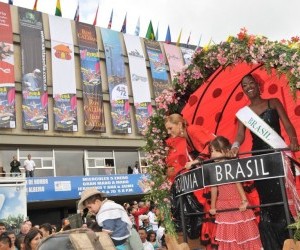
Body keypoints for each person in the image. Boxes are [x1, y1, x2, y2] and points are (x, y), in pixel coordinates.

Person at [231, 74, 300, 249]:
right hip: (259, 160)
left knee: (282, 196)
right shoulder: (243, 114)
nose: (248, 87)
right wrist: (235, 146)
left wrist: (293, 140)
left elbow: (287, 124)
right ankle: (273, 244)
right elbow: (240, 135)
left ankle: (291, 237)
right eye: (244, 85)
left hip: (277, 156)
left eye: (251, 83)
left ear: (258, 84)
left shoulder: (273, 102)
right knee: (266, 200)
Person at [164, 114, 218, 248]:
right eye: (167, 130)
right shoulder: (186, 137)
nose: (169, 132)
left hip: (217, 172)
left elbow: (211, 145)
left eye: (170, 128)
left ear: (180, 124)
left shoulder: (193, 130)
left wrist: (196, 161)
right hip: (210, 175)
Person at [208, 136, 262, 249]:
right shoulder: (212, 168)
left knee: (243, 232)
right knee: (228, 235)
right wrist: (213, 206)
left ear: (226, 151)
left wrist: (244, 201)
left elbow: (237, 183)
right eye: (211, 151)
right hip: (222, 205)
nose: (212, 154)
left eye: (215, 151)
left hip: (237, 202)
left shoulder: (231, 165)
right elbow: (214, 188)